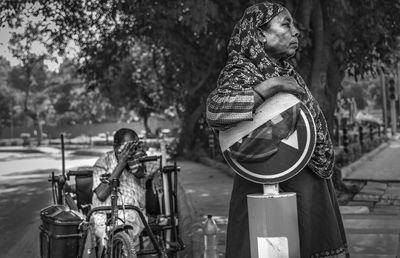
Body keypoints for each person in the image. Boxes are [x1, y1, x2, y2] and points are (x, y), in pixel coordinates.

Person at [206, 2, 349, 258]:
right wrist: (269, 88)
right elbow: (216, 110)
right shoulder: (243, 70)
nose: (296, 32)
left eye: (294, 25)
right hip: (271, 189)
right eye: (286, 24)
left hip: (306, 181)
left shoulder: (286, 71)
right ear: (260, 33)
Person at [89, 128, 161, 257]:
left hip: (133, 213)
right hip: (104, 214)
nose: (131, 152)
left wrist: (157, 175)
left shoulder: (141, 162)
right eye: (127, 148)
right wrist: (121, 163)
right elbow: (101, 194)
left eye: (134, 147)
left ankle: (120, 248)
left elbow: (158, 165)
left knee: (129, 222)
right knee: (103, 239)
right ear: (116, 147)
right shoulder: (103, 162)